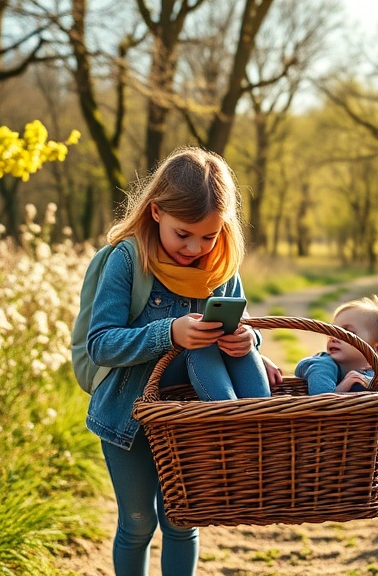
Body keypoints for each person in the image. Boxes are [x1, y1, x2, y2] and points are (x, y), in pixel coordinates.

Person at [84, 146, 280, 575]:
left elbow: (242, 322)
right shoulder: (127, 260)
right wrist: (168, 332)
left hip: (193, 422)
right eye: (183, 234)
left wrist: (249, 339)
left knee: (182, 520)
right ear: (156, 212)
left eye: (208, 236)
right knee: (137, 523)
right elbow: (100, 344)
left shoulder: (221, 265)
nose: (195, 247)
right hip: (129, 417)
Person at [294, 295, 378, 394]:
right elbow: (321, 402)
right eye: (333, 331)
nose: (333, 337)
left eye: (347, 333)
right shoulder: (321, 365)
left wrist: (367, 381)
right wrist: (344, 386)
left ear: (377, 349)